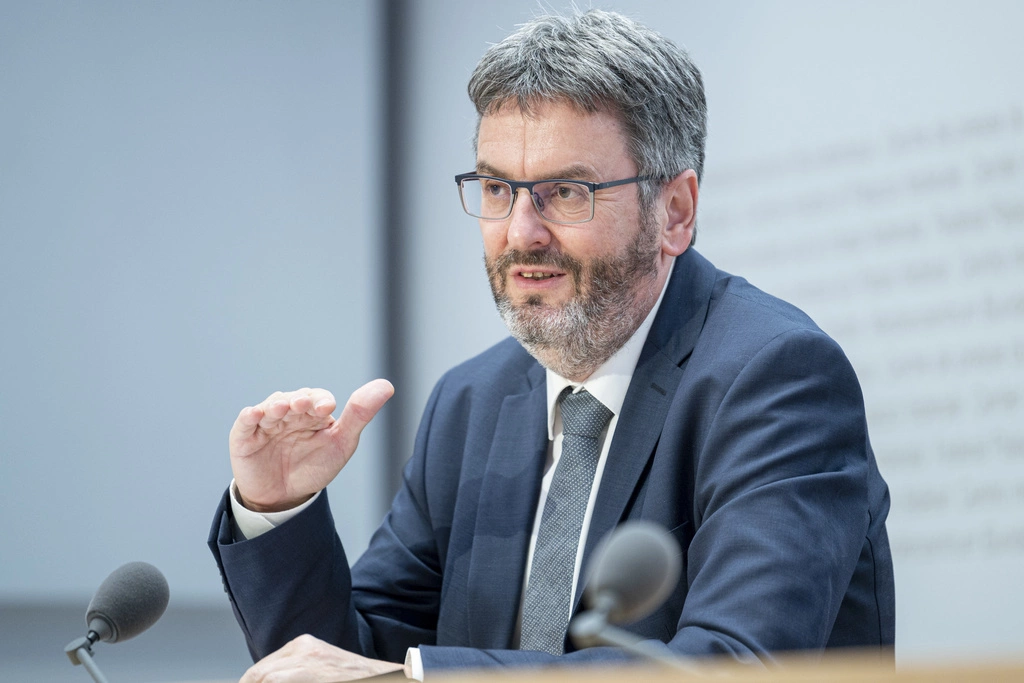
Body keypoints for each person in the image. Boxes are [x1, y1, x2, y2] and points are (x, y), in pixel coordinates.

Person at [208, 9, 894, 682]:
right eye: (499, 188)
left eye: (566, 192)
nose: (520, 232)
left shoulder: (775, 377)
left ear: (675, 212)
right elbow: (346, 661)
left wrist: (419, 679)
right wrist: (278, 511)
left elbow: (736, 664)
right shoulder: (471, 403)